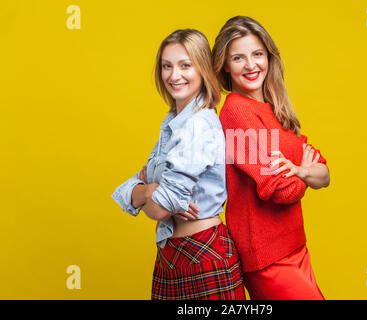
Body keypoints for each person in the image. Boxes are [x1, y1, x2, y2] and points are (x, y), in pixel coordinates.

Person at [112, 29, 245, 300]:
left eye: (186, 65)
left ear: (203, 70)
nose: (174, 75)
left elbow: (161, 208)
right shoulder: (174, 124)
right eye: (167, 66)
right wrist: (149, 190)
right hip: (171, 257)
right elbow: (133, 190)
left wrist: (146, 191)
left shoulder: (198, 124)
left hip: (203, 253)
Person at [212, 16, 330, 300]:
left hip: (295, 244)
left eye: (257, 54)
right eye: (238, 58)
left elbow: (324, 174)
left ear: (268, 57)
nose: (251, 65)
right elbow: (279, 189)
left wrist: (302, 171)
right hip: (267, 255)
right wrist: (304, 171)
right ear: (225, 66)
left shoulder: (274, 109)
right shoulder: (237, 113)